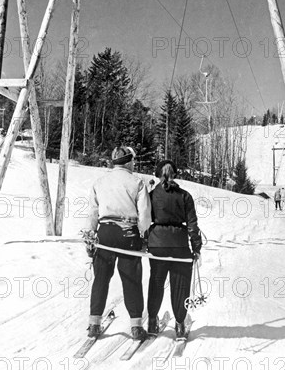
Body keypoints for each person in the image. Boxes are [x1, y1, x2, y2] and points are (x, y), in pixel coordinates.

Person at [86, 146, 152, 341]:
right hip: (128, 233)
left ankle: (94, 323)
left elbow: (92, 212)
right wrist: (144, 235)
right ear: (129, 161)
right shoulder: (137, 182)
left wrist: (90, 235)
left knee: (101, 278)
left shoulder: (100, 182)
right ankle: (136, 327)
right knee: (131, 279)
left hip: (105, 233)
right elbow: (145, 215)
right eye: (133, 161)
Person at [146, 160, 202, 339]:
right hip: (179, 245)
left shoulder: (152, 195)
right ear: (175, 174)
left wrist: (144, 241)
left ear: (157, 174)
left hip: (157, 245)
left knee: (156, 283)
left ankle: (152, 322)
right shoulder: (185, 196)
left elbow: (145, 220)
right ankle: (179, 325)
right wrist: (196, 247)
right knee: (179, 285)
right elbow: (192, 224)